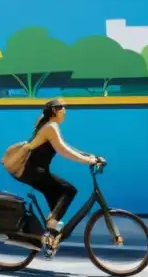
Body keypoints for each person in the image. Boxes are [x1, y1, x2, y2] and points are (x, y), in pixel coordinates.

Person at [16, 99, 103, 253]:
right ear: (55, 111)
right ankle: (50, 230)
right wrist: (89, 160)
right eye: (63, 108)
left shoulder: (50, 126)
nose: (65, 111)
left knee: (58, 199)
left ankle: (50, 237)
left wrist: (90, 155)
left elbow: (66, 146)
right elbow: (64, 151)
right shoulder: (50, 127)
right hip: (35, 172)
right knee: (69, 190)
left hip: (37, 171)